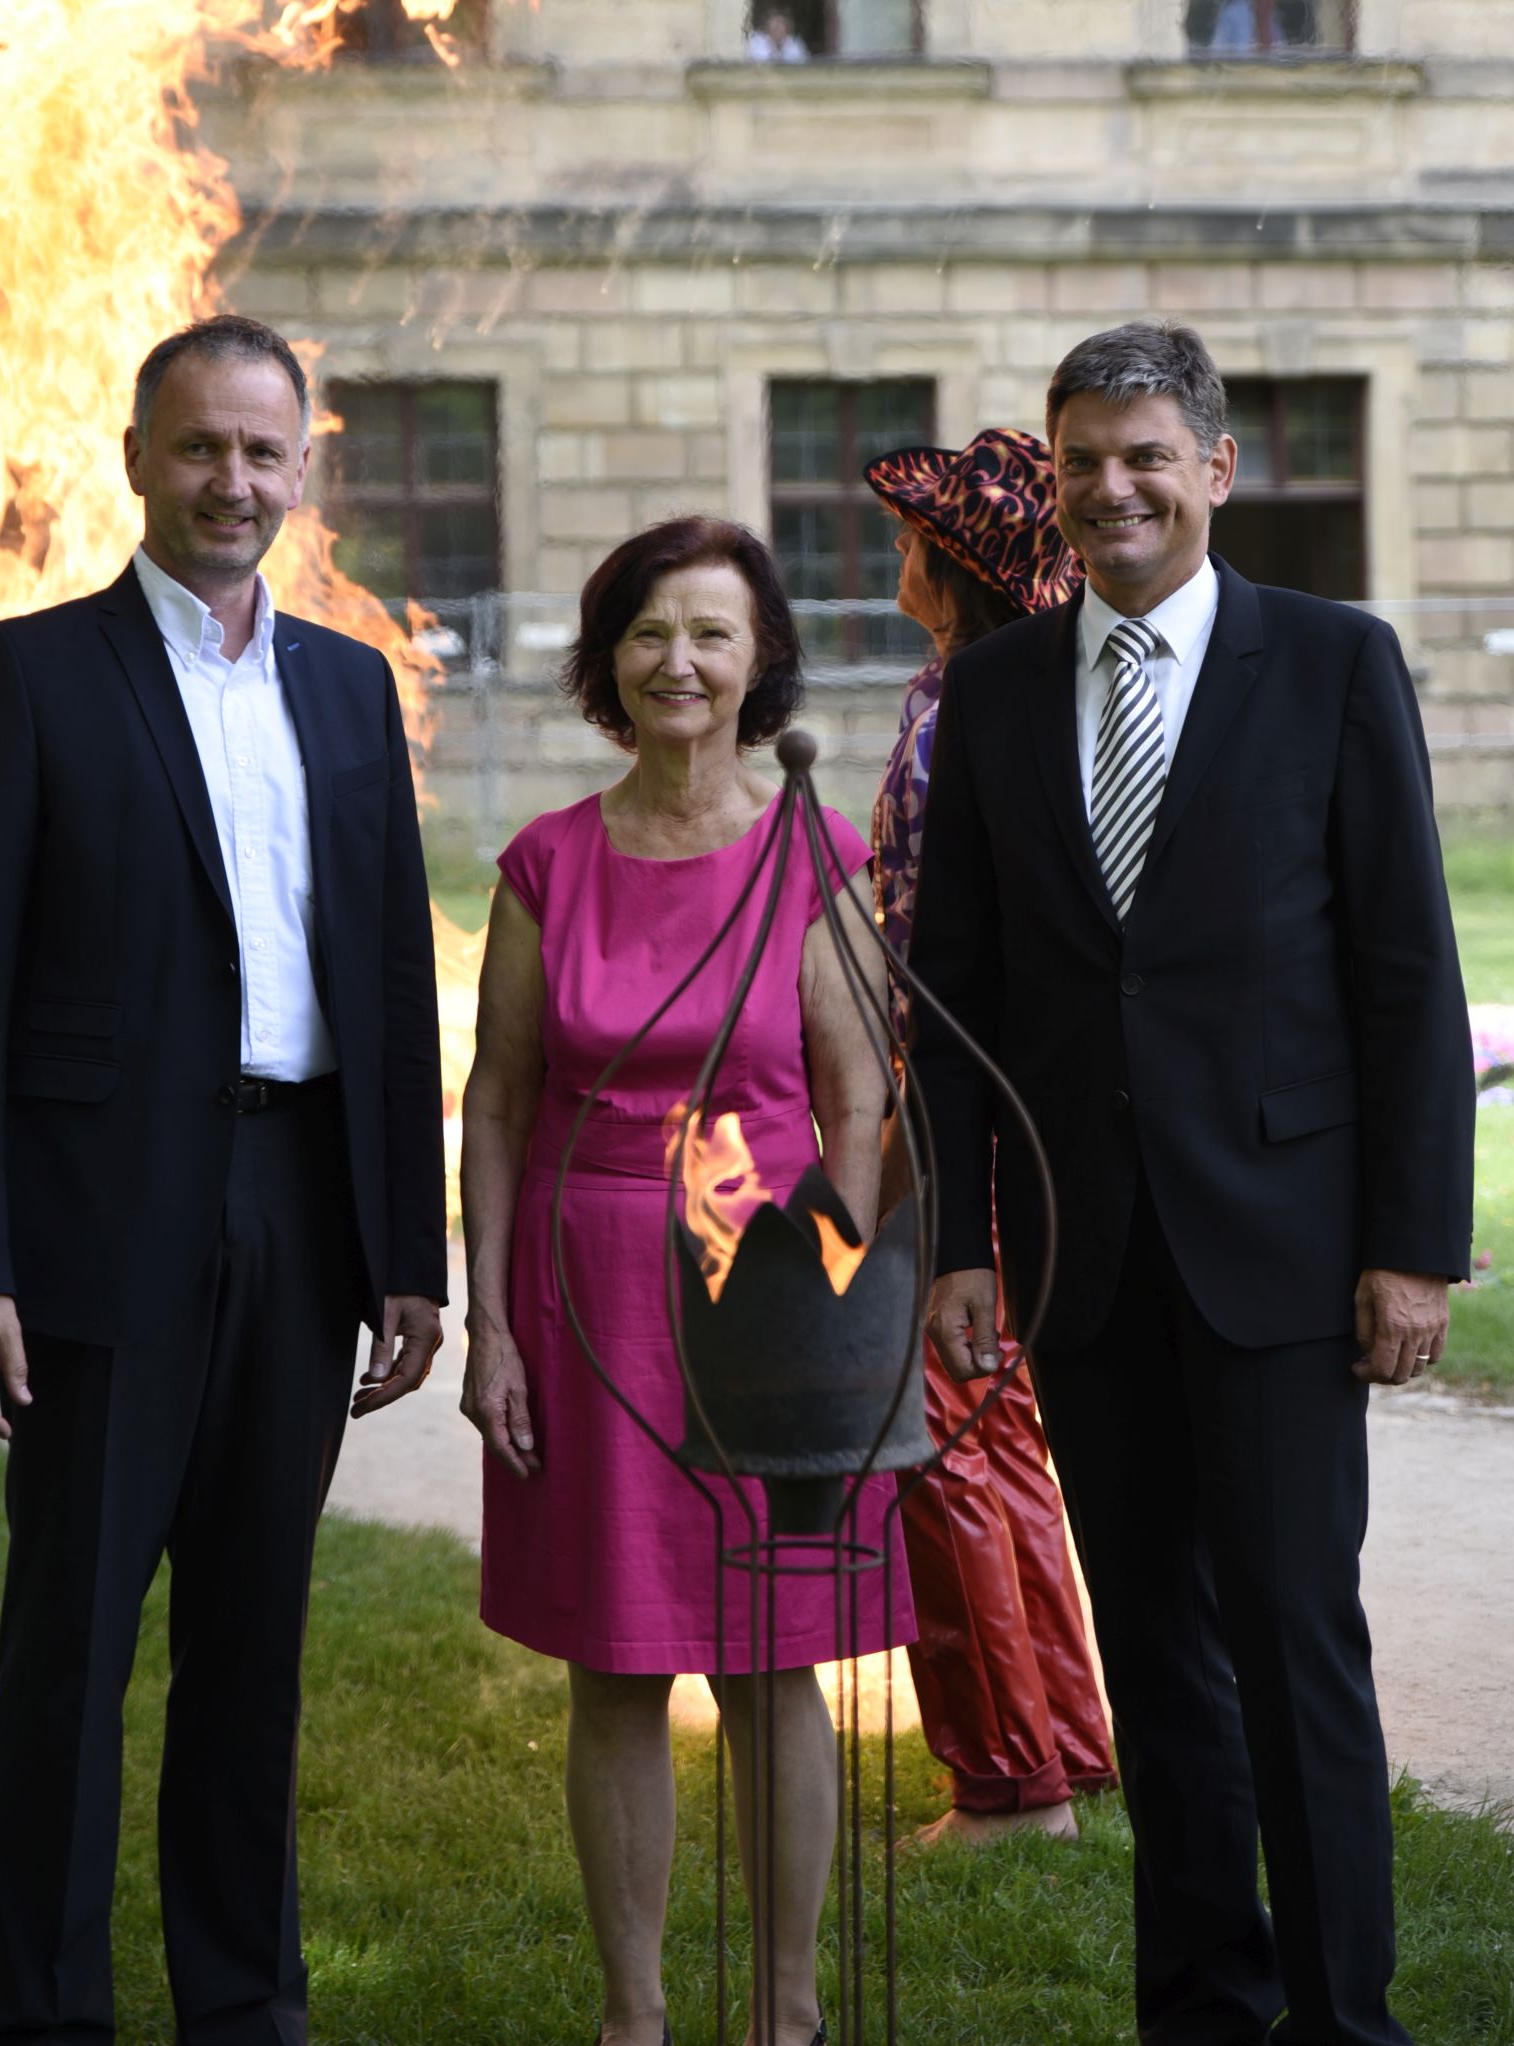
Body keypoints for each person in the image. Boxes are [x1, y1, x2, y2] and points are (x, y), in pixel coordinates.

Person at [910, 322, 1474, 2046]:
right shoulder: (996, 687)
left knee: (1297, 1648)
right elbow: (959, 998)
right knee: (1156, 1661)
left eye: (1147, 455)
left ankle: (1341, 2019)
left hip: (1287, 1260)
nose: (1113, 488)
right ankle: (1204, 2013)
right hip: (1087, 1262)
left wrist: (1409, 1251)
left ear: (1217, 468)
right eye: (1082, 459)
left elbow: (1406, 976)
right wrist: (956, 1244)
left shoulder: (1334, 664)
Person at [0, 313, 448, 2045]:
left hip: (298, 1209)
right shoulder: (32, 674)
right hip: (97, 1221)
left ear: (305, 467)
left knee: (254, 1640)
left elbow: (383, 978)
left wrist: (405, 1251)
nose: (233, 480)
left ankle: (242, 1999)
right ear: (137, 460)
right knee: (70, 1648)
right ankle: (44, 2012)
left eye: (263, 452)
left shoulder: (354, 687)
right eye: (200, 448)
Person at [460, 517, 913, 2046]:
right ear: (611, 657)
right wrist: (495, 1329)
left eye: (713, 634)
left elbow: (858, 1094)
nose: (682, 661)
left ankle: (785, 2016)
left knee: (774, 1661)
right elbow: (500, 1101)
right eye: (652, 631)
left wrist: (831, 1298)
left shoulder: (814, 848)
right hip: (588, 1285)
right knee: (615, 1661)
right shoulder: (549, 860)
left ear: (757, 662)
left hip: (759, 1267)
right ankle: (636, 2016)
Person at [864, 426, 1117, 1846]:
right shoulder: (985, 690)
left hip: (963, 1104)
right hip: (984, 1104)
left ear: (954, 565)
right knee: (997, 1429)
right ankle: (1068, 1746)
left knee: (937, 1438)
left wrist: (905, 1119)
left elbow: (952, 944)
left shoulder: (972, 706)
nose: (896, 555)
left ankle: (1011, 1783)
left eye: (916, 536)